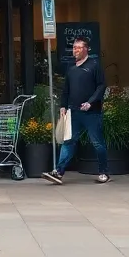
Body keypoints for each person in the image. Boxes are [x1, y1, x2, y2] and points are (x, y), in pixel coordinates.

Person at [41, 37, 108, 185]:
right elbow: (66, 90)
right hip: (74, 112)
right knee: (68, 142)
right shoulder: (71, 69)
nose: (75, 50)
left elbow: (101, 86)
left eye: (78, 48)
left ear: (86, 49)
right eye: (74, 48)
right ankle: (58, 172)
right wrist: (63, 106)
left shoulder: (94, 65)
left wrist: (90, 102)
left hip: (92, 112)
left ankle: (103, 172)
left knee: (97, 143)